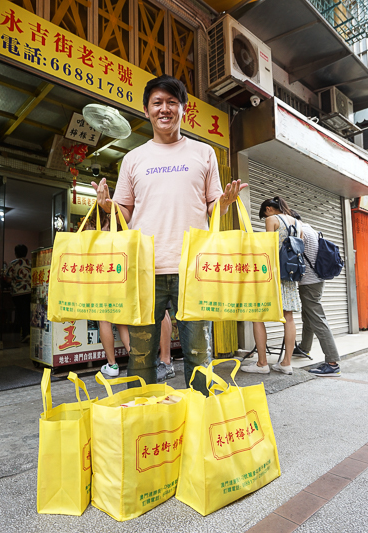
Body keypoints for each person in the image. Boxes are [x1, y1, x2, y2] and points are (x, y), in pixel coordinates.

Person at [92, 74, 246, 394]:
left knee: (198, 354)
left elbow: (214, 206)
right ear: (147, 110)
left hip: (193, 268)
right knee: (141, 356)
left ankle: (198, 419)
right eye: (157, 103)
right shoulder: (133, 158)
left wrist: (226, 202)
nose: (165, 109)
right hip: (144, 269)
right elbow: (125, 213)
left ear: (184, 109)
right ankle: (147, 419)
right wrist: (109, 206)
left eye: (172, 102)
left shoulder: (204, 153)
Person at [241, 197, 301, 375]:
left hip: (273, 275)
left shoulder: (272, 220)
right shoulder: (298, 223)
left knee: (257, 315)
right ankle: (286, 363)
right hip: (290, 276)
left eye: (264, 213)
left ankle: (262, 363)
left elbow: (268, 249)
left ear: (268, 209)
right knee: (288, 318)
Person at [82, 205, 132, 377]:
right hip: (119, 276)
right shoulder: (118, 223)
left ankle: (112, 365)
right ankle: (135, 358)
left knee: (104, 320)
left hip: (100, 277)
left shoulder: (90, 226)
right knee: (121, 320)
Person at [297, 215, 342, 376]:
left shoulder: (300, 230)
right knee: (309, 315)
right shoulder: (312, 230)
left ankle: (332, 362)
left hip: (309, 282)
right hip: (316, 280)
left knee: (317, 319)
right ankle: (304, 347)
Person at [5, 244, 32, 343]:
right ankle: (29, 333)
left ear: (16, 253)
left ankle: (25, 333)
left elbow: (8, 280)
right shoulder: (31, 263)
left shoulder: (13, 264)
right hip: (30, 292)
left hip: (18, 293)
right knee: (29, 313)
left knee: (21, 313)